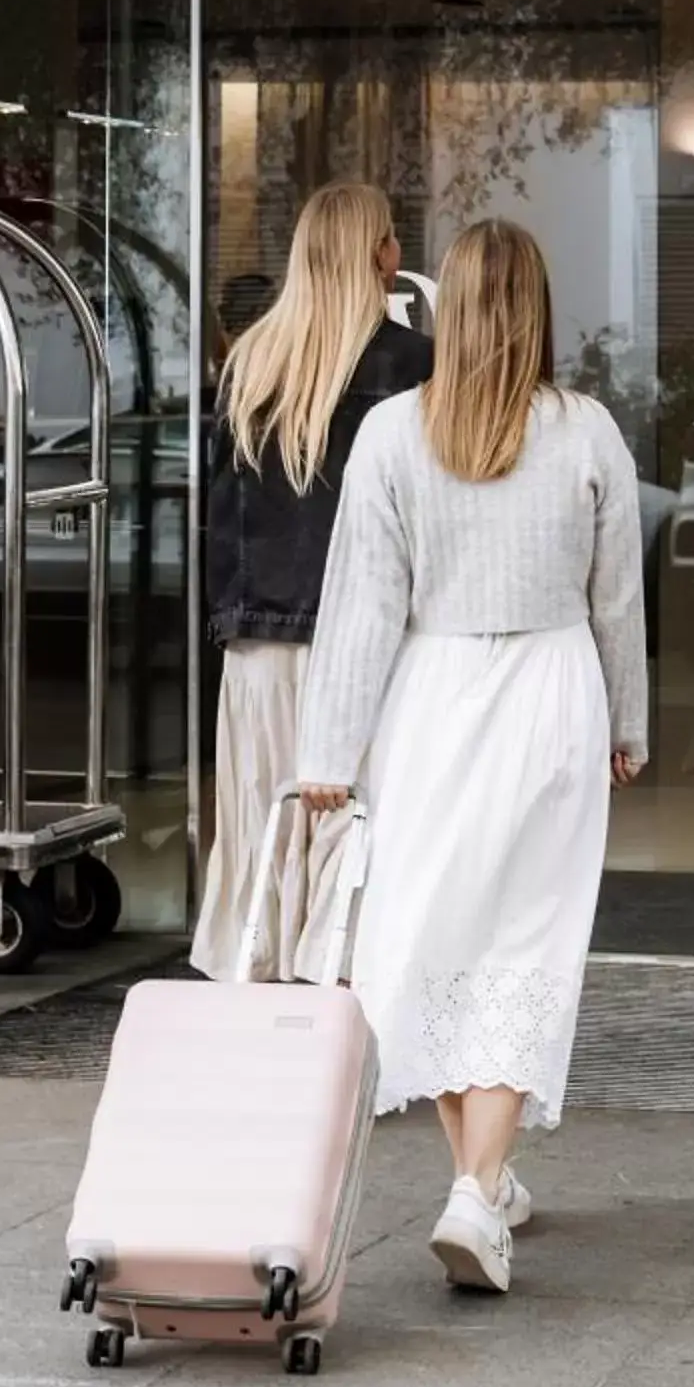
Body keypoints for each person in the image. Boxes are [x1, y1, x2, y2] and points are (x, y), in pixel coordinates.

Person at [295, 217, 647, 1297]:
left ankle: (479, 1183)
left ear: (445, 307)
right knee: (523, 947)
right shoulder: (586, 432)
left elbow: (360, 605)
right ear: (537, 310)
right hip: (551, 696)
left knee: (435, 940)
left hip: (431, 699)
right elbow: (616, 598)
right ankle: (476, 1188)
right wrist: (629, 723)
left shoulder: (394, 433)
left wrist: (328, 751)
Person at [190, 183, 429, 980]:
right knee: (356, 833)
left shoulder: (250, 360)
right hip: (365, 646)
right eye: (392, 238)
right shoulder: (414, 366)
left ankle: (259, 1015)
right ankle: (335, 1020)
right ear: (382, 256)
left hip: (257, 644)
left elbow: (220, 511)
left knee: (261, 827)